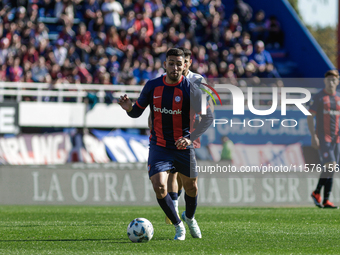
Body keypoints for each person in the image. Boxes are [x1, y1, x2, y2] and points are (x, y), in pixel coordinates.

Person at [119, 48, 213, 240]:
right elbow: (137, 111)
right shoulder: (152, 86)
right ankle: (179, 226)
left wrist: (190, 136)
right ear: (165, 65)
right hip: (159, 145)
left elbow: (207, 118)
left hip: (183, 145)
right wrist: (129, 108)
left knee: (191, 187)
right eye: (171, 63)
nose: (175, 67)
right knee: (159, 186)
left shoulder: (192, 89)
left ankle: (190, 217)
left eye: (179, 64)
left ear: (184, 65)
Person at [165, 47, 214, 225]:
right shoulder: (170, 77)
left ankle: (179, 205)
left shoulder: (197, 80)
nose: (181, 66)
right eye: (178, 62)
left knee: (183, 175)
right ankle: (174, 207)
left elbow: (205, 105)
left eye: (184, 62)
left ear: (189, 63)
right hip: (171, 128)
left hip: (189, 129)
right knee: (173, 170)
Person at [308, 70, 340, 209]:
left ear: (337, 82)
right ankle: (316, 192)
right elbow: (310, 116)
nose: (331, 82)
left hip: (336, 139)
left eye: (334, 80)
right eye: (329, 80)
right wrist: (313, 136)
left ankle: (325, 199)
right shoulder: (319, 97)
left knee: (332, 169)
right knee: (331, 165)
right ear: (324, 81)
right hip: (323, 137)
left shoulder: (338, 99)